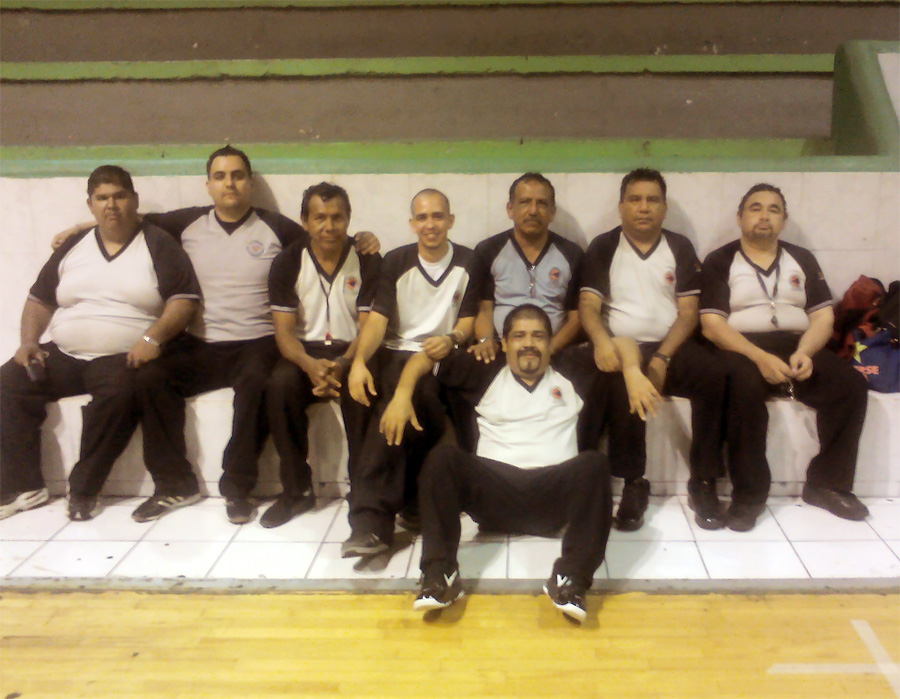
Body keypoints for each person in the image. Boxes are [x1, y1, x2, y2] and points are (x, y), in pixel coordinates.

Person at [53, 146, 379, 524]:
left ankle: (238, 488)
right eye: (220, 176)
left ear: (250, 183)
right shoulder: (184, 223)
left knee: (259, 383)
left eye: (238, 175)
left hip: (258, 341)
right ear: (208, 184)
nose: (230, 183)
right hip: (200, 343)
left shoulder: (279, 228)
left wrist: (364, 238)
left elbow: (324, 237)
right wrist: (81, 229)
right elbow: (127, 219)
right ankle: (175, 483)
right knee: (148, 377)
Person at [379, 304, 612, 623]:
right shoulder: (484, 369)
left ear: (550, 343)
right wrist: (402, 395)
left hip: (553, 497)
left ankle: (571, 579)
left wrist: (633, 371)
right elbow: (424, 358)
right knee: (443, 459)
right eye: (519, 336)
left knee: (595, 464)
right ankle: (440, 575)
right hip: (495, 494)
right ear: (504, 344)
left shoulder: (571, 369)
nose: (529, 343)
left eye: (538, 336)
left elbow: (624, 345)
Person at [0, 165, 201, 521]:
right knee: (8, 382)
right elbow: (39, 300)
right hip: (64, 352)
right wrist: (29, 341)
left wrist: (152, 338)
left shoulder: (157, 243)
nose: (111, 205)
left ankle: (83, 490)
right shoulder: (73, 246)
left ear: (134, 200)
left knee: (119, 395)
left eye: (119, 196)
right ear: (90, 204)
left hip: (122, 356)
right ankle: (22, 485)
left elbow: (184, 301)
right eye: (102, 198)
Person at [700, 183, 869, 531]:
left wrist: (806, 351)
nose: (764, 216)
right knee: (742, 389)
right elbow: (712, 325)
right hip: (742, 348)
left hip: (797, 343)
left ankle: (827, 485)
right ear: (739, 217)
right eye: (755, 208)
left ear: (784, 220)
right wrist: (759, 357)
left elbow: (823, 318)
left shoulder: (802, 259)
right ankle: (749, 496)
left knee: (850, 385)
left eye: (773, 209)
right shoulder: (720, 260)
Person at [579, 169, 727, 531]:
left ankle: (704, 480)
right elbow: (588, 307)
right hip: (621, 346)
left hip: (671, 345)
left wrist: (663, 357)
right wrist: (602, 343)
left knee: (715, 375)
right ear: (621, 206)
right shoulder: (603, 247)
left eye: (652, 200)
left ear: (664, 208)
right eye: (635, 199)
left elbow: (689, 314)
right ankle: (634, 482)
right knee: (621, 382)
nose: (643, 207)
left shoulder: (679, 247)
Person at [342, 189, 477, 558]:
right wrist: (359, 362)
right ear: (412, 223)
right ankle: (403, 502)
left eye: (437, 216)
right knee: (365, 388)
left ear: (450, 220)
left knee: (410, 397)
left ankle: (371, 521)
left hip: (438, 355)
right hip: (395, 350)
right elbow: (378, 321)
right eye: (422, 217)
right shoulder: (397, 261)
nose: (430, 224)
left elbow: (468, 321)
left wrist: (451, 338)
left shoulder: (468, 261)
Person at [263, 182, 380, 528]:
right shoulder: (287, 262)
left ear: (348, 219)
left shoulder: (368, 260)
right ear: (305, 221)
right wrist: (309, 365)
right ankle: (296, 491)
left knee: (363, 389)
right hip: (305, 352)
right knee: (279, 387)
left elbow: (368, 328)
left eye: (337, 217)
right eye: (320, 218)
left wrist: (345, 364)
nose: (329, 226)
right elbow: (284, 334)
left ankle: (363, 490)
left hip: (355, 349)